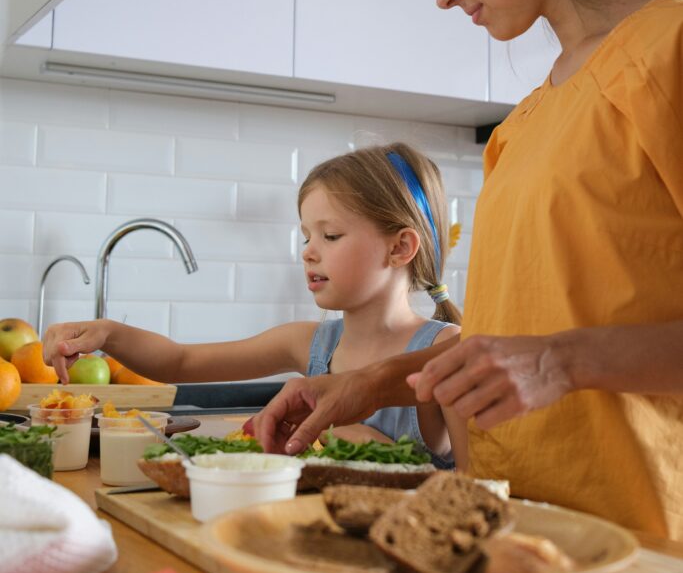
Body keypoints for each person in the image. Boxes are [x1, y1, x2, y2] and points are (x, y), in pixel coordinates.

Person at [249, 0, 683, 540]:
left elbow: (551, 353)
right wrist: (374, 382)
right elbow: (521, 333)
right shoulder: (524, 122)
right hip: (513, 532)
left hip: (642, 546)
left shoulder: (668, 53)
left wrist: (559, 362)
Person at [43, 141, 464, 467]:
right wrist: (108, 333)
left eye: (330, 236)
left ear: (400, 247)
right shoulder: (311, 343)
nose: (309, 252)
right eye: (306, 237)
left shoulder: (450, 351)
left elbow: (476, 484)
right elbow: (182, 362)